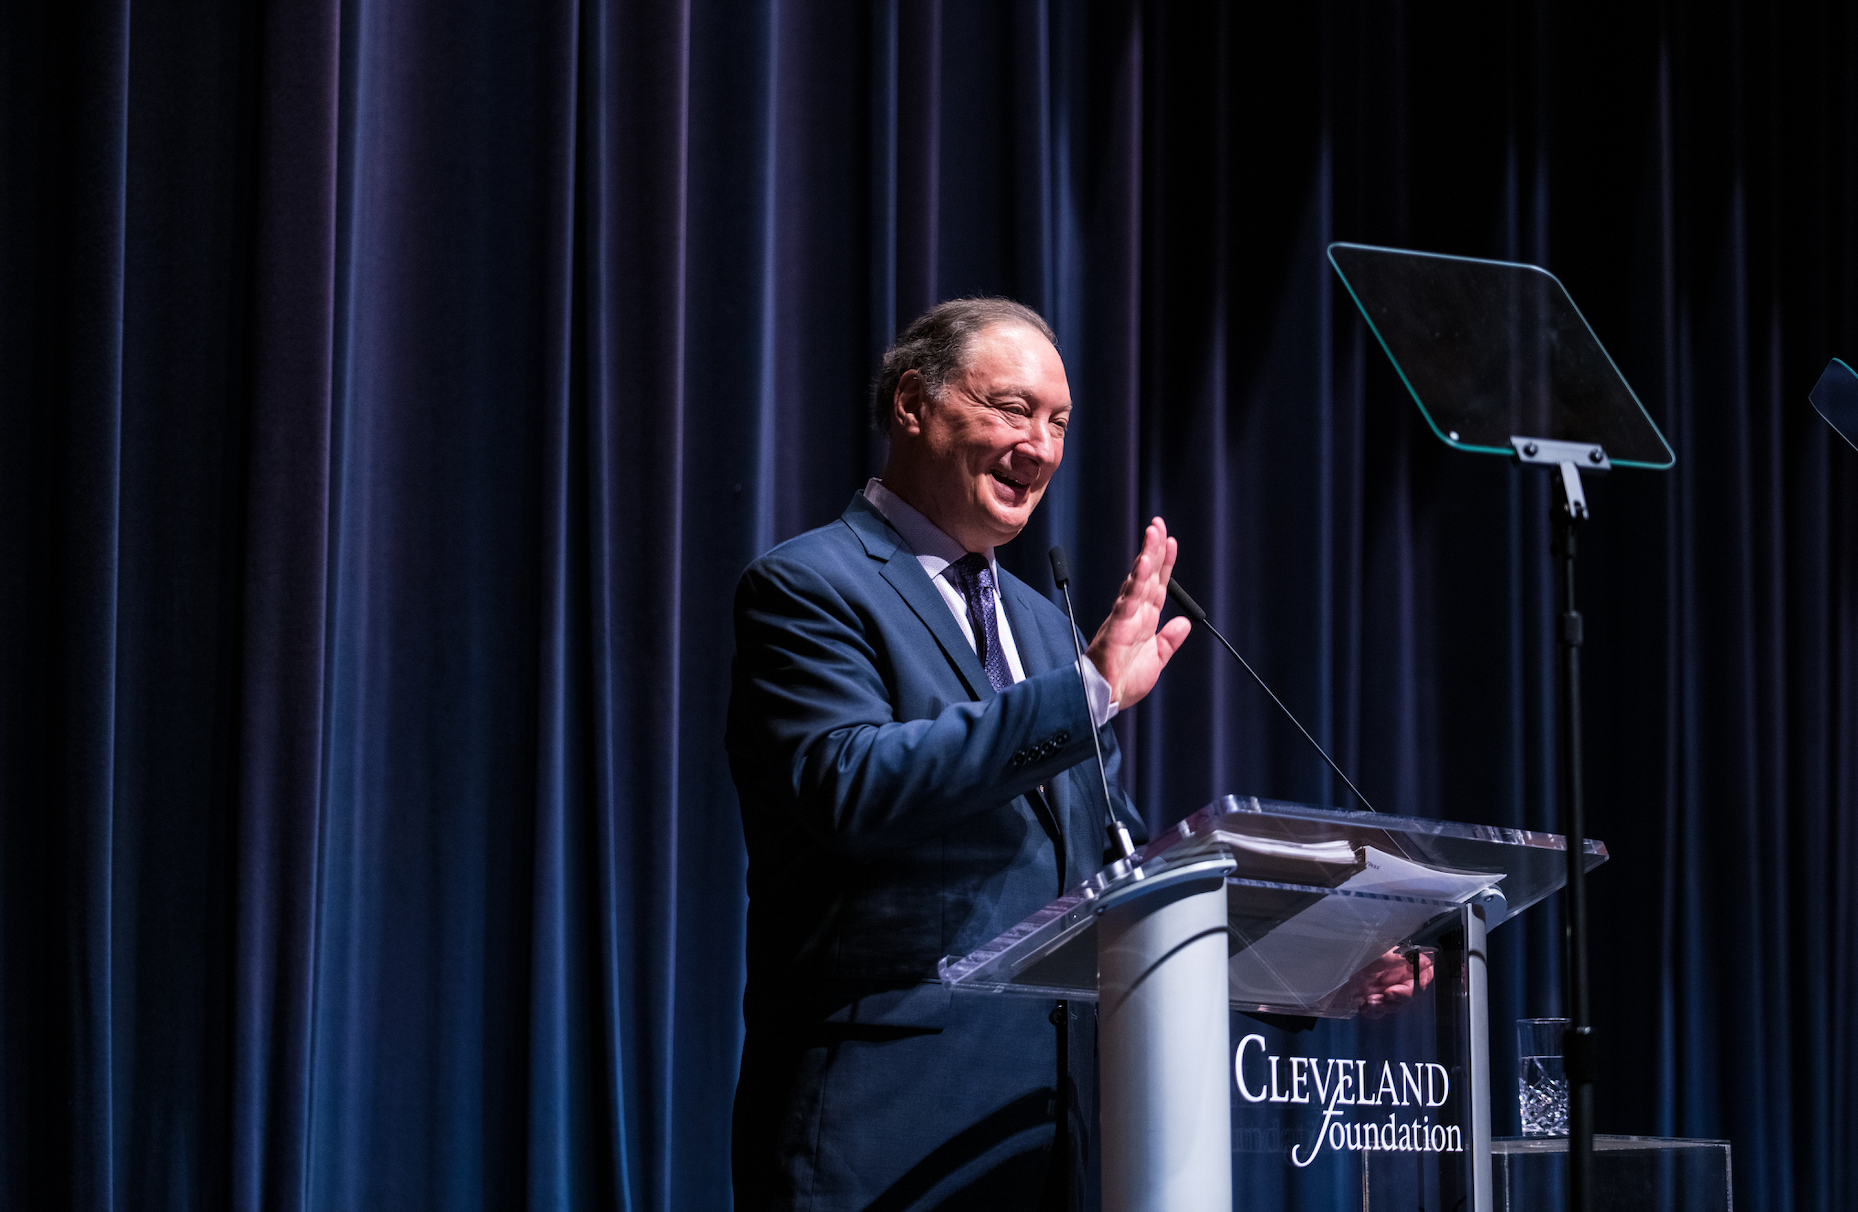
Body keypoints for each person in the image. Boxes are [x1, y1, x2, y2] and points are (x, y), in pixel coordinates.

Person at [727, 297, 1188, 1210]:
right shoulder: (809, 585)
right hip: (882, 1132)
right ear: (912, 404)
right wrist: (1085, 693)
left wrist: (1300, 951)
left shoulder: (1042, 625)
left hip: (1046, 1138)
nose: (1043, 447)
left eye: (1059, 423)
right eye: (1014, 410)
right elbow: (852, 786)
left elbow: (1109, 866)